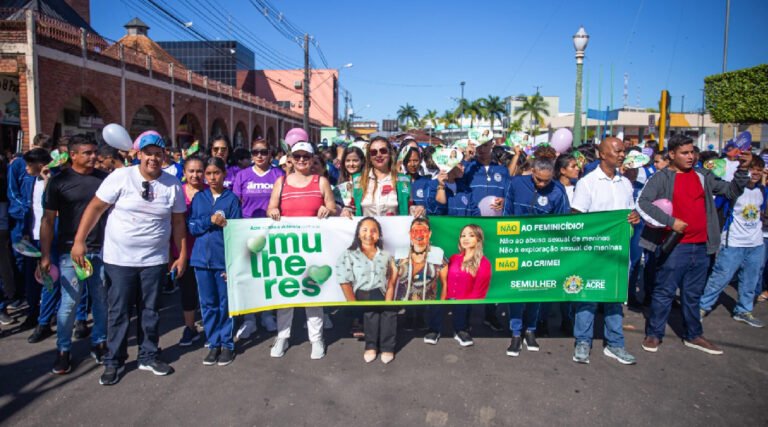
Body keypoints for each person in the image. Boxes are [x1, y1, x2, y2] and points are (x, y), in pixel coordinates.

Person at [73, 132, 188, 385]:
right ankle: (114, 361)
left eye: (158, 154)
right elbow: (95, 208)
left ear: (164, 156)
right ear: (138, 155)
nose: (153, 159)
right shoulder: (120, 177)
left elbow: (178, 221)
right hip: (119, 260)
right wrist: (80, 241)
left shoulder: (172, 184)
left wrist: (181, 255)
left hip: (154, 260)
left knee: (150, 311)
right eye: (148, 154)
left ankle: (148, 355)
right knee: (119, 312)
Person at [638, 135, 750, 356]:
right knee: (664, 292)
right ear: (672, 154)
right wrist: (671, 222)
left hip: (701, 246)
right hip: (675, 247)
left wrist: (743, 170)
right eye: (685, 153)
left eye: (692, 152)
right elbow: (643, 203)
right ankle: (654, 333)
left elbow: (730, 191)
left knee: (693, 294)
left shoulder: (702, 175)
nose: (690, 157)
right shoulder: (661, 177)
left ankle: (693, 335)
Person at [39, 136, 108, 374]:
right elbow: (48, 220)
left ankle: (99, 342)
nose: (93, 157)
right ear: (73, 155)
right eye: (87, 153)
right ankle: (63, 349)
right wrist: (45, 255)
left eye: (95, 152)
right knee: (69, 303)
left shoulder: (104, 179)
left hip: (102, 250)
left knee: (101, 300)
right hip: (70, 252)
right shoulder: (58, 182)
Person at [570, 137, 640, 365]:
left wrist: (634, 217)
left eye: (623, 151)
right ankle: (583, 341)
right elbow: (577, 217)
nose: (622, 155)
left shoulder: (625, 183)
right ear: (602, 154)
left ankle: (615, 344)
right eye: (617, 151)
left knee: (614, 298)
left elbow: (629, 214)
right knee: (587, 297)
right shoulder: (587, 183)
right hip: (592, 253)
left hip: (618, 253)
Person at [266, 142, 336, 359]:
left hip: (314, 248)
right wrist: (273, 210)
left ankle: (316, 338)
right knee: (286, 295)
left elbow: (333, 207)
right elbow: (271, 207)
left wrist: (327, 209)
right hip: (288, 249)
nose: (302, 160)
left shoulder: (321, 181)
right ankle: (282, 336)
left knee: (312, 294)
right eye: (297, 156)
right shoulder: (281, 182)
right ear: (291, 158)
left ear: (312, 158)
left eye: (306, 156)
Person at [502, 157, 570, 356]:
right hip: (517, 245)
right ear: (532, 172)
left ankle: (531, 330)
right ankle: (516, 333)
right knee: (517, 289)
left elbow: (563, 222)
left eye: (546, 181)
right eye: (539, 180)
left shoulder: (558, 191)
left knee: (536, 289)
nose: (542, 184)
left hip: (542, 249)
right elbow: (506, 213)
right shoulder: (516, 183)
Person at [699, 156, 765, 328]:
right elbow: (714, 208)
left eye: (759, 170)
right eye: (752, 169)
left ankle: (743, 310)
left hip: (756, 243)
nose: (755, 173)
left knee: (750, 280)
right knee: (720, 278)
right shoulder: (732, 189)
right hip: (733, 242)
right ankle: (702, 307)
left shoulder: (762, 190)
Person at [188, 156, 242, 366]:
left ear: (224, 174)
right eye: (208, 173)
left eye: (216, 173)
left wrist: (232, 264)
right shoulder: (199, 198)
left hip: (222, 261)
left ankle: (227, 344)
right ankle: (213, 343)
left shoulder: (231, 199)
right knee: (208, 305)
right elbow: (192, 227)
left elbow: (236, 233)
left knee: (225, 304)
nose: (212, 178)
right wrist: (209, 221)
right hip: (201, 260)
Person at [231, 138, 283, 338]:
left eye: (264, 152)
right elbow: (235, 203)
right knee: (249, 275)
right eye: (255, 152)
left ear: (270, 154)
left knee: (269, 275)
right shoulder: (242, 175)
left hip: (271, 232)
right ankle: (249, 318)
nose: (259, 156)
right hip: (247, 231)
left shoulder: (278, 174)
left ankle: (268, 314)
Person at [336, 217, 397, 363]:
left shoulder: (386, 255)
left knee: (389, 313)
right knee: (371, 313)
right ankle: (371, 346)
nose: (369, 234)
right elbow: (344, 280)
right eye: (364, 230)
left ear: (379, 235)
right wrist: (353, 304)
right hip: (362, 294)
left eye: (374, 231)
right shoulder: (349, 254)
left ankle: (387, 347)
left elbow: (391, 278)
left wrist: (389, 299)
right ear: (358, 234)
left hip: (382, 292)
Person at [19, 148, 58, 342]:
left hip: (50, 237)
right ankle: (33, 313)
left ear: (41, 165)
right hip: (32, 236)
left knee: (49, 280)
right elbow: (28, 208)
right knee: (32, 279)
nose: (26, 169)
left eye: (29, 165)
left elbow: (53, 207)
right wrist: (25, 230)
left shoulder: (54, 181)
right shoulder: (29, 181)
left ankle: (45, 321)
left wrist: (48, 180)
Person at [341, 137, 423, 218]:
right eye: (373, 152)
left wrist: (417, 209)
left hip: (394, 226)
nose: (378, 155)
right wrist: (347, 210)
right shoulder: (358, 180)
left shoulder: (404, 180)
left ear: (390, 153)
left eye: (383, 151)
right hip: (367, 226)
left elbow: (409, 207)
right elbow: (353, 206)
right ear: (369, 157)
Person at [443, 224, 491, 346]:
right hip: (448, 298)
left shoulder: (484, 263)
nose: (465, 238)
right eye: (463, 236)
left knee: (462, 304)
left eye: (471, 235)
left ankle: (461, 330)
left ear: (478, 239)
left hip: (465, 302)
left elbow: (479, 291)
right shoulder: (454, 258)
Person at [175, 157, 206, 347]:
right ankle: (190, 327)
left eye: (199, 171)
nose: (195, 175)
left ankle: (212, 327)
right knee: (187, 291)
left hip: (206, 250)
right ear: (184, 172)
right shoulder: (177, 191)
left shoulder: (211, 192)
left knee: (207, 292)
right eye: (191, 171)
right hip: (183, 249)